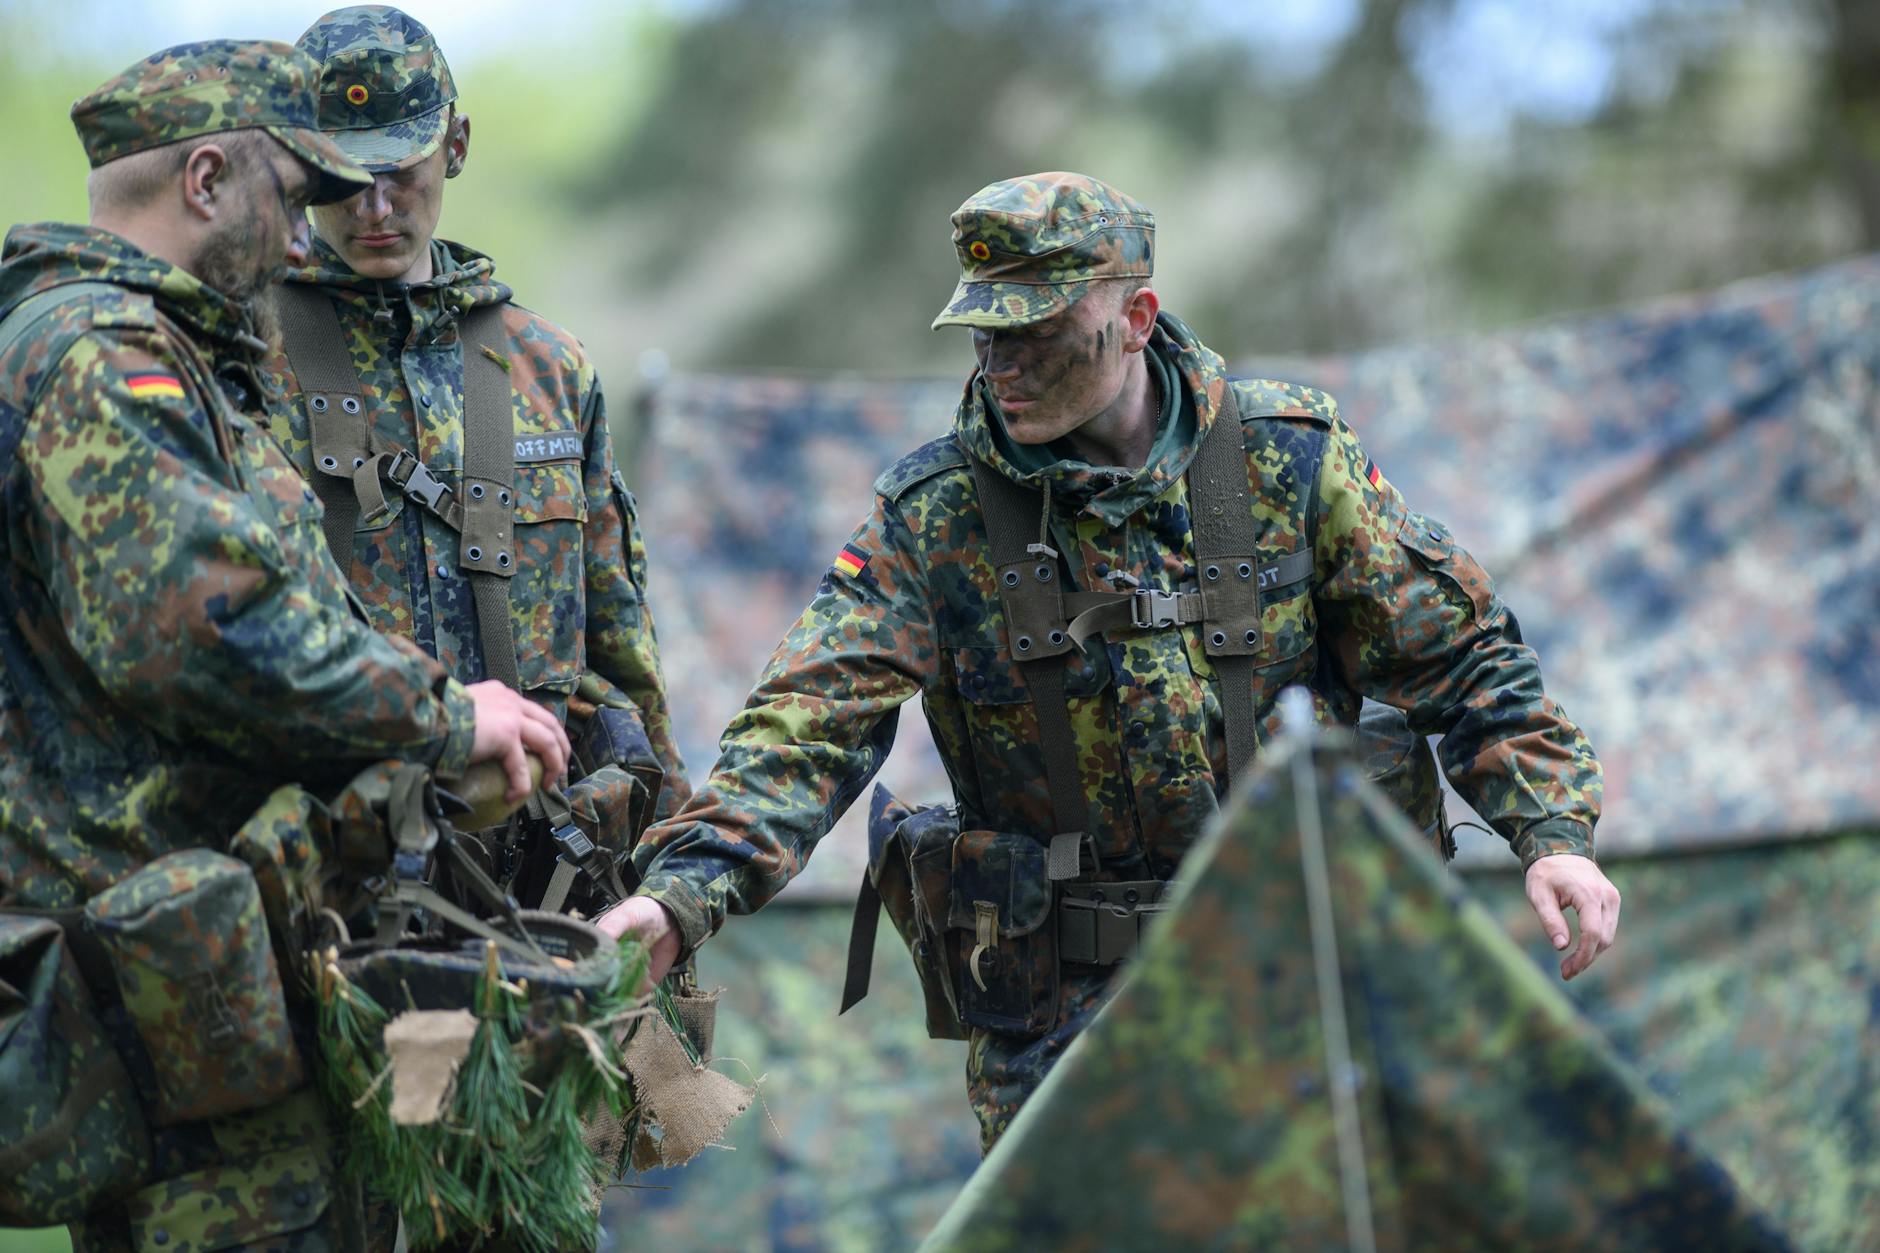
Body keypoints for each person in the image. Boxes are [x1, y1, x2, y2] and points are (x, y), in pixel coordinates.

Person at [599, 172, 1622, 1149]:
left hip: (1308, 982)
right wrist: (681, 890)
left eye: (1037, 331)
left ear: (1134, 319)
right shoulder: (935, 516)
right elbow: (805, 724)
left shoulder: (1288, 460)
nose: (1001, 366)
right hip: (1063, 1029)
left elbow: (1464, 660)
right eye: (985, 335)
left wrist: (1551, 831)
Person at [0, 40, 567, 1248]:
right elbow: (204, 632)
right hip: (169, 1013)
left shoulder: (181, 360)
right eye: (293, 191)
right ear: (207, 178)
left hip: (235, 996)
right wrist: (445, 713)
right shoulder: (97, 359)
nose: (313, 235)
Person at [260, 6, 688, 908]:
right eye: (344, 178)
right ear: (296, 166)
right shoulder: (245, 366)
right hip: (333, 883)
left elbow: (619, 646)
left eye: (401, 173)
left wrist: (666, 864)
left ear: (454, 145)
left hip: (548, 881)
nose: (376, 208)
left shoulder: (547, 366)